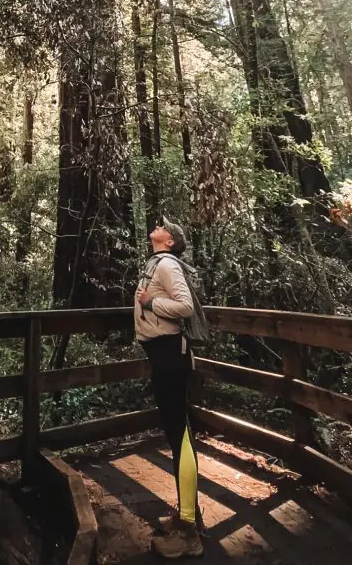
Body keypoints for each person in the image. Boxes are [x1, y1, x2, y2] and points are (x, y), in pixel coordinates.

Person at [135, 216, 203, 559]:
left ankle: (189, 532)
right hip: (162, 357)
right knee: (178, 434)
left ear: (170, 241)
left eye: (163, 226)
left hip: (171, 356)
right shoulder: (157, 264)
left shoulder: (167, 266)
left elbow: (185, 306)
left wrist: (150, 304)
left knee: (180, 436)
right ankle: (191, 517)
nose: (158, 226)